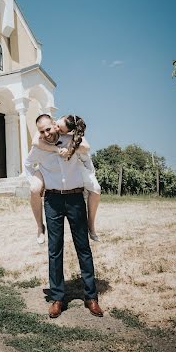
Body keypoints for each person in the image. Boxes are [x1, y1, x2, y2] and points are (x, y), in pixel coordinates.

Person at [25, 113, 103, 318]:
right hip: (52, 201)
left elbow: (86, 148)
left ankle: (91, 297)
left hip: (75, 198)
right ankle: (57, 298)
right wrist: (35, 182)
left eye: (48, 129)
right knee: (55, 249)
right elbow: (27, 164)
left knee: (83, 248)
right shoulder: (38, 147)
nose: (46, 133)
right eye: (42, 131)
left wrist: (71, 148)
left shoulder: (72, 140)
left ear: (55, 126)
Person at [30, 114, 101, 244]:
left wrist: (70, 150)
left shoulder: (71, 136)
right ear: (55, 120)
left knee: (96, 189)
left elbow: (87, 148)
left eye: (60, 130)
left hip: (81, 167)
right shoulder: (47, 126)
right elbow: (35, 142)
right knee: (34, 188)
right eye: (56, 125)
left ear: (69, 132)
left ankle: (91, 225)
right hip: (51, 175)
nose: (56, 129)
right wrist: (56, 149)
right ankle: (40, 227)